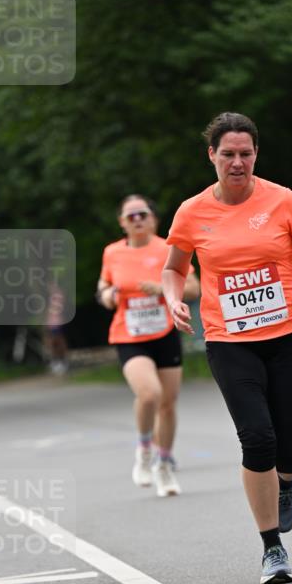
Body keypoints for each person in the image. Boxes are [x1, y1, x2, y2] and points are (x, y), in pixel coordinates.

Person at [162, 112, 292, 584]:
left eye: (245, 153)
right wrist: (174, 300)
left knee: (290, 449)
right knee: (257, 439)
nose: (237, 162)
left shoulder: (282, 200)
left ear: (256, 154)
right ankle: (272, 547)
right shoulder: (192, 212)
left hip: (285, 335)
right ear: (211, 156)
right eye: (228, 154)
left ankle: (287, 483)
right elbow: (174, 268)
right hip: (229, 340)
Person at [96, 195, 200, 496]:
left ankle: (163, 465)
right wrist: (108, 296)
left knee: (167, 403)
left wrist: (163, 289)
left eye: (143, 214)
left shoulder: (169, 248)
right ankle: (144, 449)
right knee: (149, 393)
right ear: (122, 222)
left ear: (154, 219)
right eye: (131, 216)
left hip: (164, 333)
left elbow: (194, 288)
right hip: (129, 336)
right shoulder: (112, 252)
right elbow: (103, 288)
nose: (138, 220)